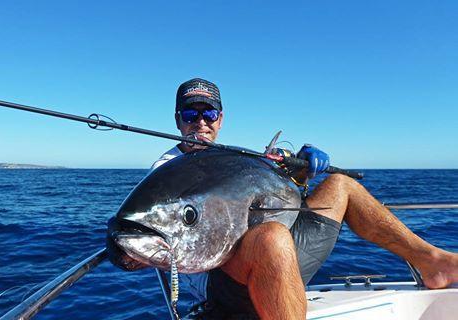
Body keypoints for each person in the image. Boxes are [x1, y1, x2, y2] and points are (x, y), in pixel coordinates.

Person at [130, 78, 458, 319]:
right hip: (221, 281)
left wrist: (296, 171)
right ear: (177, 120)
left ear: (221, 118)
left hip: (275, 254)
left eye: (209, 113)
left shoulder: (233, 160)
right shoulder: (167, 172)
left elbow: (262, 197)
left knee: (341, 185)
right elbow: (141, 229)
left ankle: (433, 263)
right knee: (271, 236)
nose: (200, 122)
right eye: (190, 114)